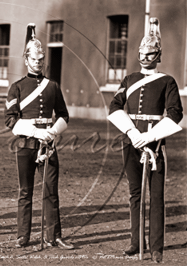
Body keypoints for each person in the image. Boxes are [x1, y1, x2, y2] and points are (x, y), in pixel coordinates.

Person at [107, 18, 183, 263]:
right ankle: (135, 241)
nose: (144, 57)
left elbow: (175, 114)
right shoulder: (128, 79)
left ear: (158, 55)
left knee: (157, 195)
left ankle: (157, 246)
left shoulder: (167, 81)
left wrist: (149, 137)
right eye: (142, 53)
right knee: (134, 194)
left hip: (155, 145)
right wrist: (132, 133)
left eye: (149, 54)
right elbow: (115, 107)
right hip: (130, 143)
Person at [4, 23, 74, 249]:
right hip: (26, 144)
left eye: (41, 59)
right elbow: (10, 120)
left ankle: (53, 236)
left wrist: (52, 132)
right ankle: (23, 235)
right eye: (34, 59)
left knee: (51, 190)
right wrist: (36, 132)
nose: (38, 63)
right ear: (26, 60)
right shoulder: (17, 87)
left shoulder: (52, 86)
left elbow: (64, 115)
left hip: (48, 145)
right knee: (25, 192)